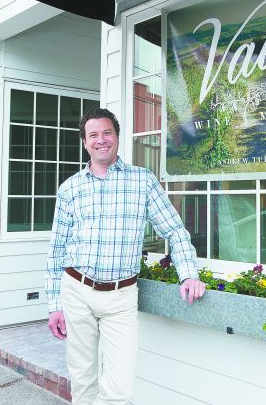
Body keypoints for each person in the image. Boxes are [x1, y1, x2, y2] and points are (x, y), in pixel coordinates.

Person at [45, 107, 206, 405]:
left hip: (120, 296)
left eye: (107, 133)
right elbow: (57, 251)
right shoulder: (70, 189)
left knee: (120, 390)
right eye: (93, 135)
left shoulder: (142, 181)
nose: (101, 140)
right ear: (84, 142)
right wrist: (55, 304)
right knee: (82, 381)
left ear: (117, 137)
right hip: (76, 291)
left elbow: (175, 230)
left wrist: (189, 274)